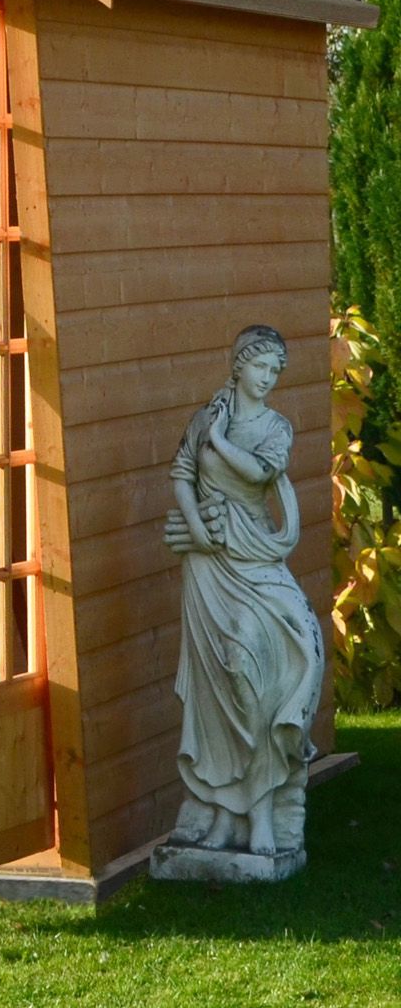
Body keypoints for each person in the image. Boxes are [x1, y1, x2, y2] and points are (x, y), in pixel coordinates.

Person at [161, 324, 324, 857]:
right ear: (238, 365)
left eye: (277, 370)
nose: (269, 377)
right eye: (261, 366)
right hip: (208, 569)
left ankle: (262, 812)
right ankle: (228, 819)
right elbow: (183, 471)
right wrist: (198, 528)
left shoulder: (275, 427)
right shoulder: (205, 418)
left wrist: (223, 440)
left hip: (256, 561)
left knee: (250, 667)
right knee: (217, 691)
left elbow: (259, 474)